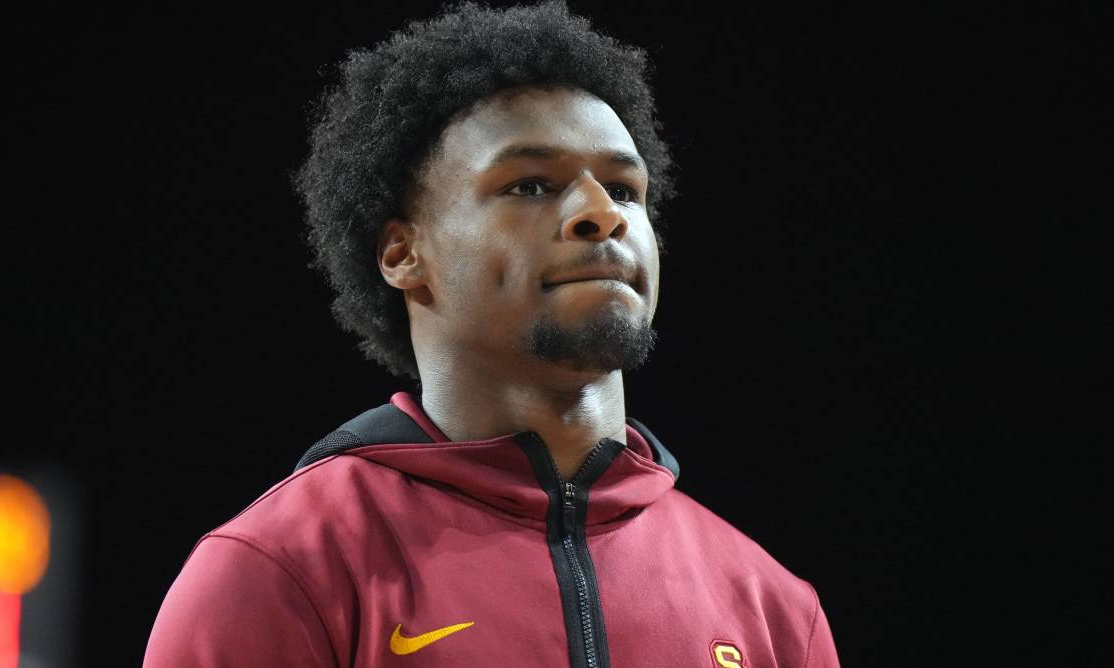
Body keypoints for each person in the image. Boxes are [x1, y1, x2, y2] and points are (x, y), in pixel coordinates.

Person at [144, 2, 840, 666]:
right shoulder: (281, 572)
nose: (602, 214)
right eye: (531, 185)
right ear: (402, 255)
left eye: (626, 189)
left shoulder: (774, 610)